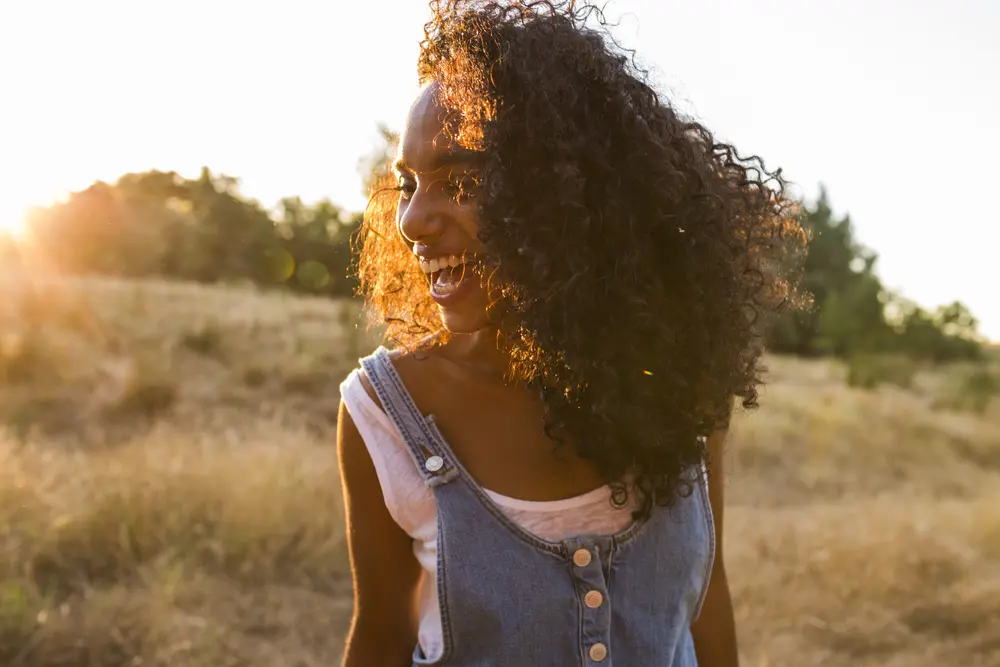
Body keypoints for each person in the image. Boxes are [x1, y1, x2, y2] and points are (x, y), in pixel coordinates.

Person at [337, 1, 805, 665]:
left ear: (570, 191)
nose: (412, 220)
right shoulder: (386, 413)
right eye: (409, 184)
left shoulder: (678, 383)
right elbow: (381, 633)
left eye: (460, 179)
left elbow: (705, 600)